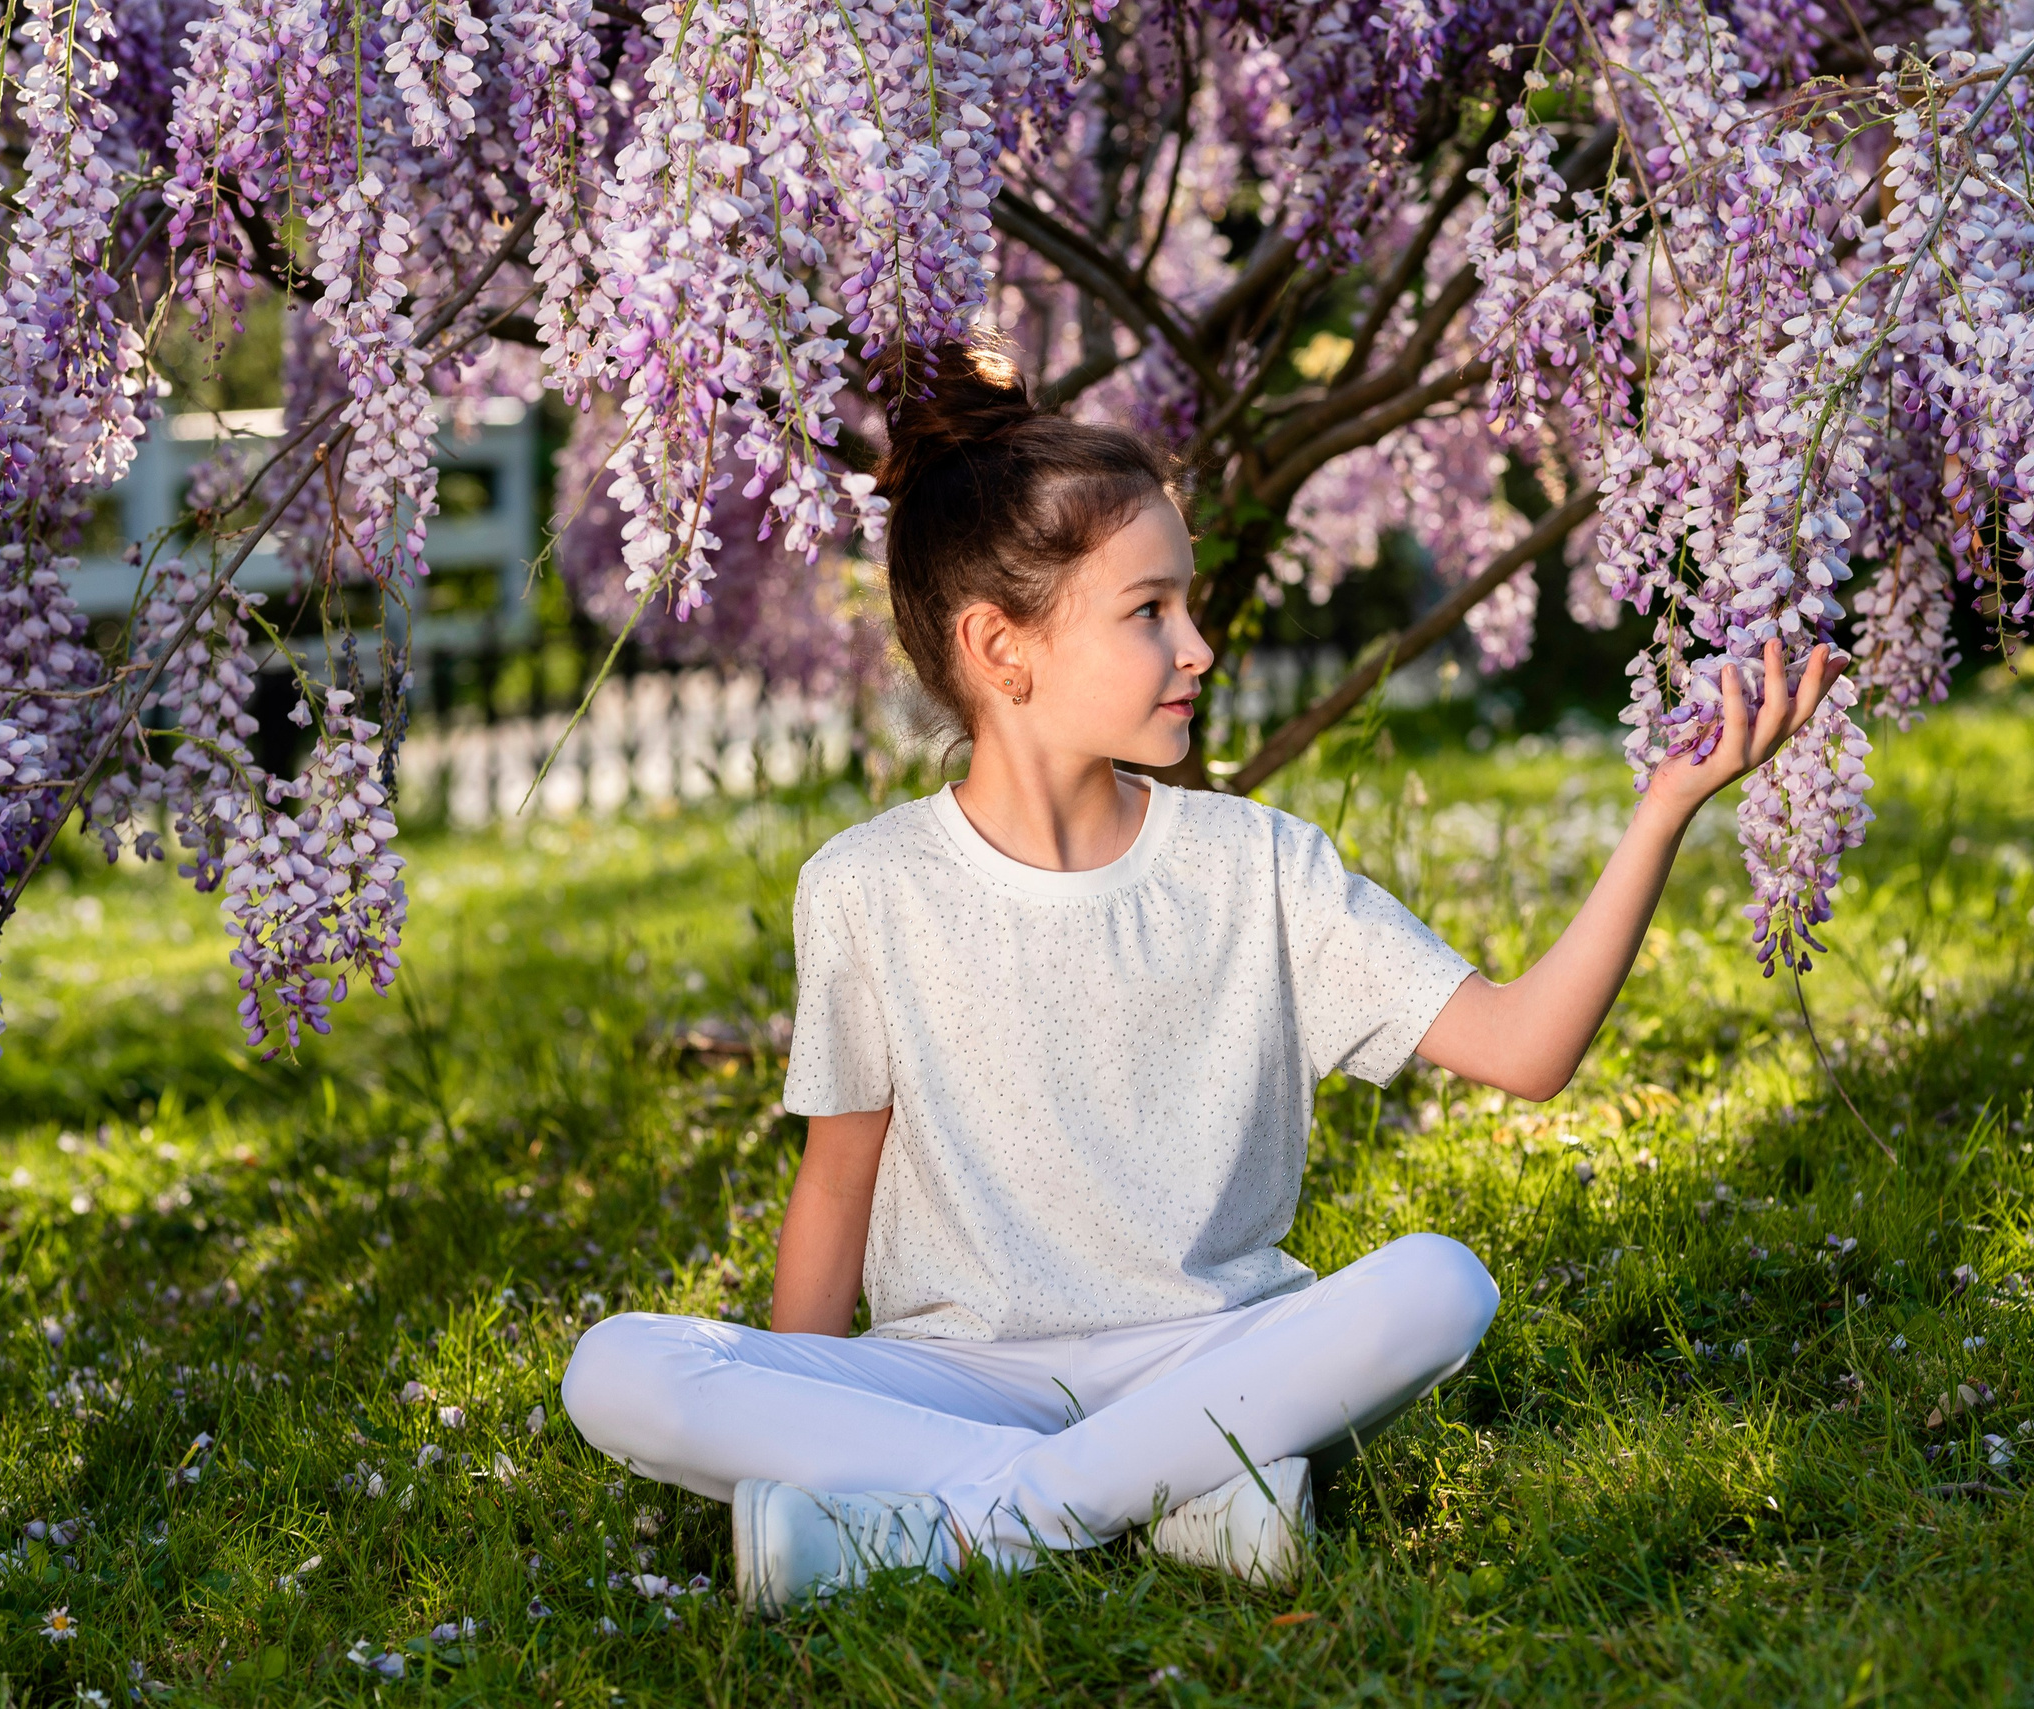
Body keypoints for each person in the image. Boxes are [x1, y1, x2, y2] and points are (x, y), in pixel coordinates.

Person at [560, 339, 1849, 1609]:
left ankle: (960, 1522)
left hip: (1218, 1350)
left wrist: (1662, 813)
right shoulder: (867, 885)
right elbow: (838, 1183)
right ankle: (1168, 1501)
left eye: (1185, 604)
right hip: (959, 1369)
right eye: (1148, 613)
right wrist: (803, 1408)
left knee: (1443, 1281)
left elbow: (1524, 1050)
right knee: (615, 1367)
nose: (1200, 649)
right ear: (1003, 652)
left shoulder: (1259, 864)